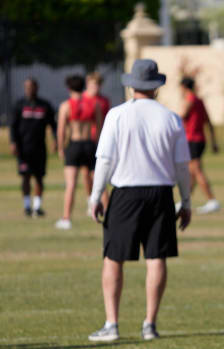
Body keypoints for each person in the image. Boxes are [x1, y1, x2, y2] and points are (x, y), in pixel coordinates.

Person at [87, 59, 192, 342]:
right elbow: (182, 165)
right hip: (161, 194)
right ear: (157, 86)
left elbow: (105, 160)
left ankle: (112, 323)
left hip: (125, 193)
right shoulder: (170, 118)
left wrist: (96, 196)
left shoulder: (117, 115)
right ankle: (150, 324)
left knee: (113, 258)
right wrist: (186, 201)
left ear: (131, 84)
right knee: (156, 257)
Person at [55, 75, 103, 230]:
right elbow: (101, 127)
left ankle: (66, 218)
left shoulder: (66, 106)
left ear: (69, 88)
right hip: (90, 144)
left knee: (71, 184)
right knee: (100, 181)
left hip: (74, 145)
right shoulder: (94, 103)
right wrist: (98, 146)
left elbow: (61, 130)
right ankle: (109, 213)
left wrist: (61, 147)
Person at [10, 78, 57, 217]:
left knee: (39, 178)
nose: (29, 89)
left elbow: (53, 126)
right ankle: (26, 206)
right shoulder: (19, 105)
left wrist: (55, 140)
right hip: (23, 149)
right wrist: (13, 142)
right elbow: (13, 126)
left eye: (32, 87)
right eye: (27, 87)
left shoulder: (44, 105)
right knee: (25, 176)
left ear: (36, 87)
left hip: (39, 148)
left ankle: (37, 207)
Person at [179, 77, 220, 214]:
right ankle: (185, 202)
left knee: (196, 170)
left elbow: (182, 115)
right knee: (191, 172)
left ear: (184, 87)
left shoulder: (190, 100)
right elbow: (209, 122)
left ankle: (212, 200)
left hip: (192, 139)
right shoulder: (200, 101)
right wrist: (214, 142)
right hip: (200, 139)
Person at [84, 72, 111, 207]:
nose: (95, 87)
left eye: (97, 85)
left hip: (100, 140)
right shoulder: (82, 99)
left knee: (98, 172)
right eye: (92, 84)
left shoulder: (104, 101)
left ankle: (104, 204)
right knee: (86, 174)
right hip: (86, 140)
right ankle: (91, 199)